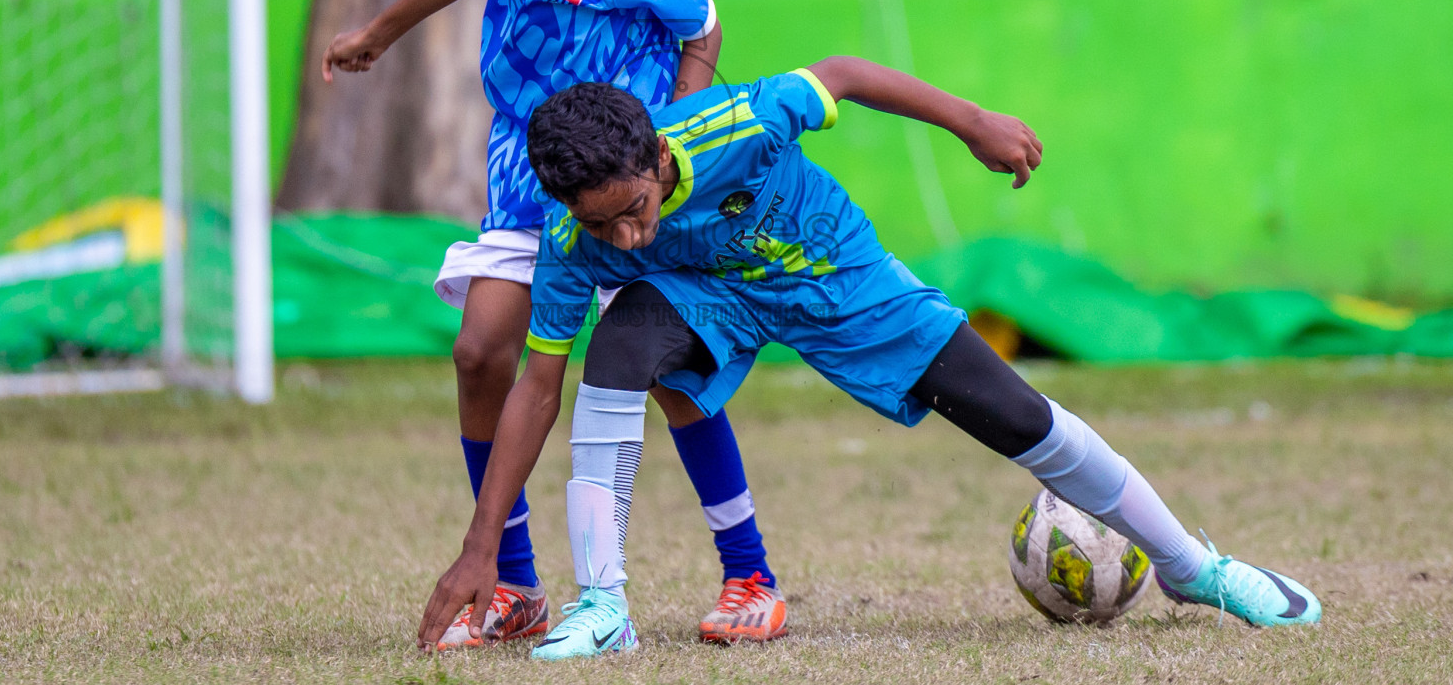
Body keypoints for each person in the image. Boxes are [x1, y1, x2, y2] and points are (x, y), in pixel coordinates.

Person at [417, 57, 1323, 660]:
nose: (626, 231)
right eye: (603, 220)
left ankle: (1193, 570)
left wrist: (972, 122)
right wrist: (478, 546)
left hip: (839, 280)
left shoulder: (732, 125)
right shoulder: (575, 240)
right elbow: (539, 389)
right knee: (617, 346)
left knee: (1020, 419)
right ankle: (604, 608)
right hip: (711, 296)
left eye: (636, 207)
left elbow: (844, 74)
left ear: (658, 156)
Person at [320, 0, 784, 649]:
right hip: (528, 173)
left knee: (663, 369)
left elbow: (702, 29)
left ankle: (750, 577)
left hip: (622, 184)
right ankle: (515, 587)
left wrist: (664, 148)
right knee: (482, 351)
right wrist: (377, 33)